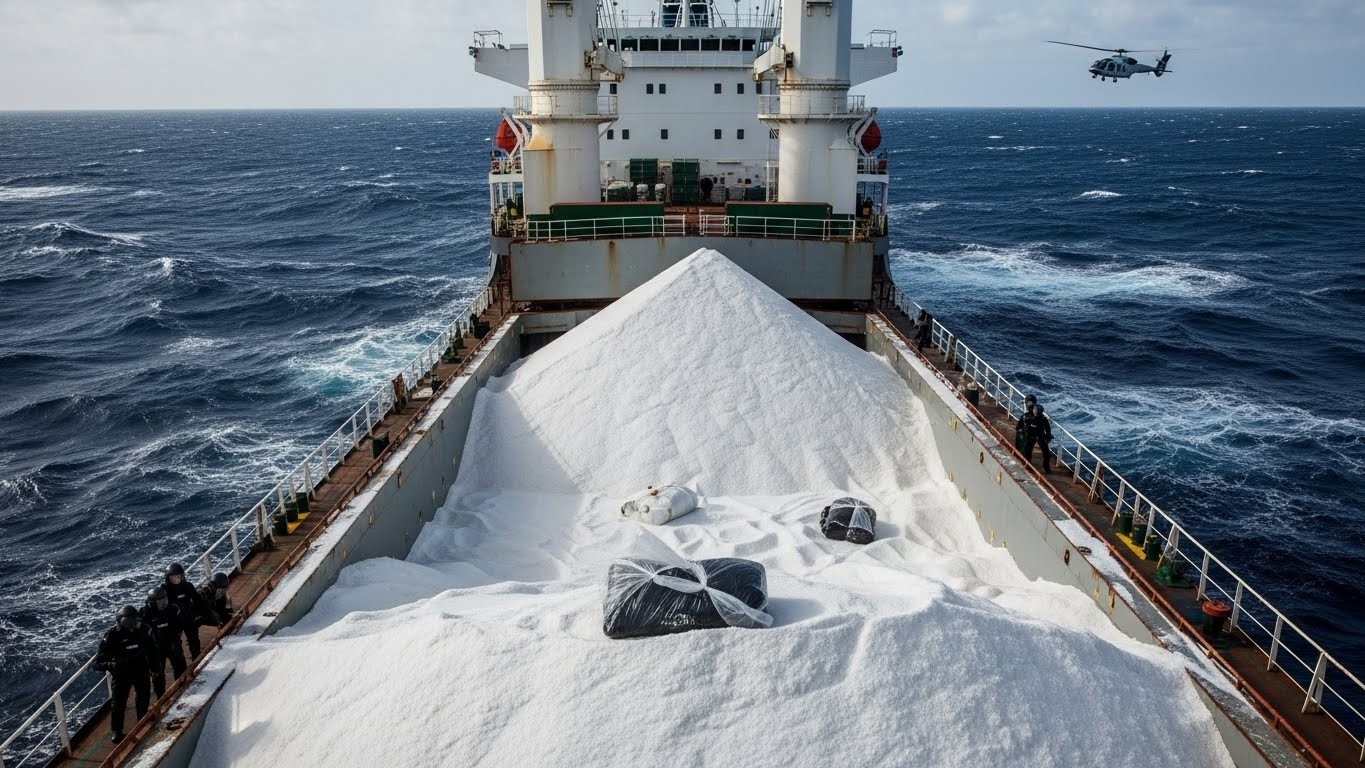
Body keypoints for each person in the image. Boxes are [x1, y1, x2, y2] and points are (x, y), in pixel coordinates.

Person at [95, 605, 159, 744]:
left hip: (141, 669)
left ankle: (142, 720)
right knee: (118, 703)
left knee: (143, 696)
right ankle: (116, 730)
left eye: (134, 621)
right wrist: (111, 665)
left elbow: (153, 650)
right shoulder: (111, 636)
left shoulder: (143, 630)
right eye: (128, 622)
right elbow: (97, 663)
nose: (131, 625)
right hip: (121, 674)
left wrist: (155, 669)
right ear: (120, 622)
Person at [140, 586, 187, 692]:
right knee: (158, 675)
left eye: (165, 600)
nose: (164, 604)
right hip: (156, 649)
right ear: (152, 603)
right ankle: (161, 697)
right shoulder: (145, 614)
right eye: (161, 602)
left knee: (181, 667)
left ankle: (181, 689)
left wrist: (176, 638)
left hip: (172, 643)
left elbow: (180, 623)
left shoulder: (172, 609)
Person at [163, 563, 212, 658]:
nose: (176, 579)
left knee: (194, 639)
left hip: (188, 616)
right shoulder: (165, 590)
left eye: (178, 576)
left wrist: (201, 613)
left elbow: (198, 600)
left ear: (182, 576)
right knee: (175, 644)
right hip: (174, 620)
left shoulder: (187, 586)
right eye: (173, 577)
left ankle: (196, 657)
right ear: (168, 578)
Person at [1022, 398, 1055, 474]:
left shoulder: (1042, 419)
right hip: (1034, 435)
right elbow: (1025, 427)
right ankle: (1029, 465)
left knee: (1045, 453)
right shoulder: (1032, 418)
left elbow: (1048, 429)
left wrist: (1048, 437)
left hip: (1038, 435)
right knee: (1029, 451)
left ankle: (1045, 467)